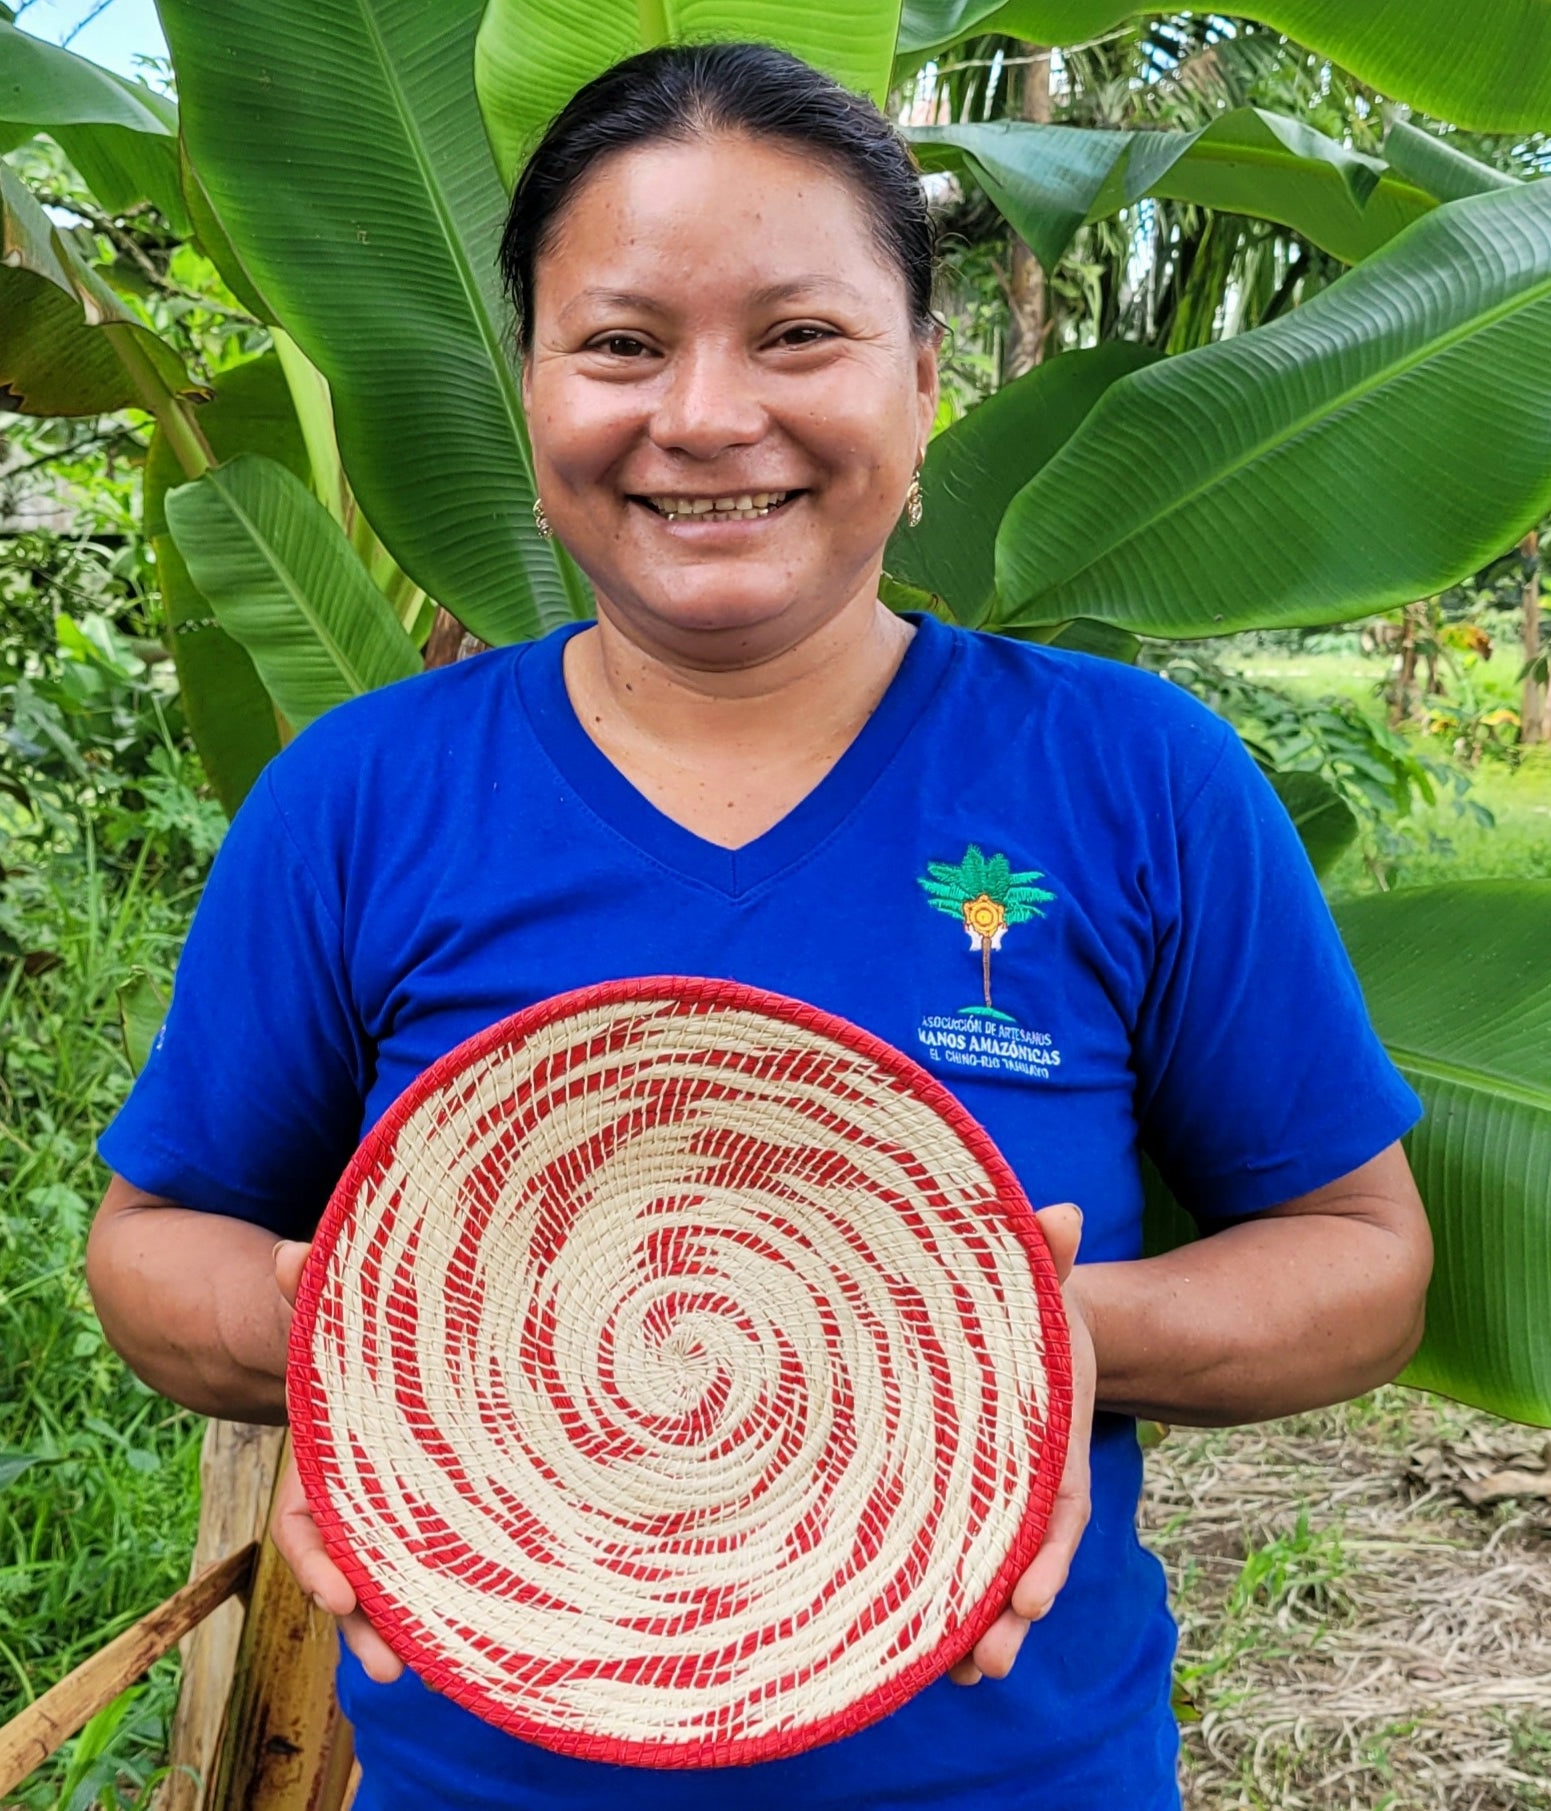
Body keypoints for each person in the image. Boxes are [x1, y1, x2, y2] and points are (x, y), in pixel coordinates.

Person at [87, 42, 1433, 1810]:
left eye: (800, 336)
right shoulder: (361, 798)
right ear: (533, 388)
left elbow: (1360, 1259)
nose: (709, 417)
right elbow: (154, 1245)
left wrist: (1011, 1339)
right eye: (623, 343)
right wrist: (389, 1342)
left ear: (926, 381)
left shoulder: (1134, 779)